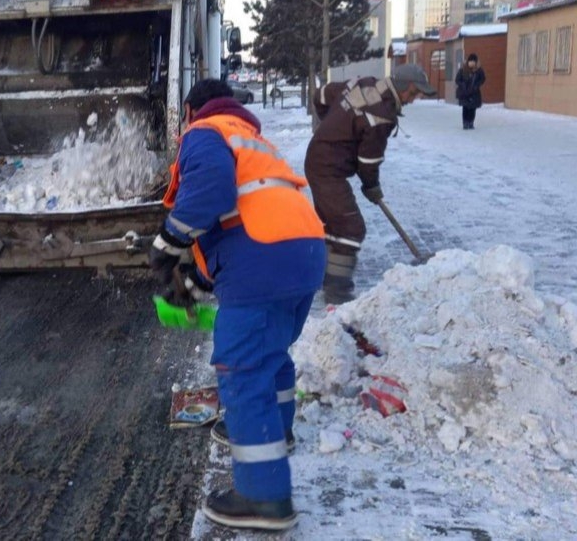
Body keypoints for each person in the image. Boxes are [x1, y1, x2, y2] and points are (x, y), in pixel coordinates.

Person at [149, 78, 326, 531]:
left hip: (263, 257)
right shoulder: (252, 140)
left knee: (242, 371)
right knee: (271, 355)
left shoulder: (204, 132)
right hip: (303, 253)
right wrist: (193, 279)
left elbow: (209, 193)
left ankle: (263, 497)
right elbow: (241, 222)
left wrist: (167, 244)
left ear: (190, 110)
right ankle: (277, 431)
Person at [304, 64, 436, 304]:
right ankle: (337, 291)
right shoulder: (381, 116)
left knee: (333, 225)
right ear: (405, 86)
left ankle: (322, 278)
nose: (415, 99)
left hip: (320, 161)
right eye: (415, 93)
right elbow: (368, 162)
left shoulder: (364, 84)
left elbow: (321, 95)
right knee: (351, 228)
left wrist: (332, 126)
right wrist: (371, 187)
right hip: (327, 170)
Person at [455, 53, 486, 129]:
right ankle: (465, 123)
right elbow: (457, 80)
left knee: (472, 109)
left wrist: (477, 85)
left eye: (473, 61)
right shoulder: (463, 69)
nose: (471, 63)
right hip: (464, 92)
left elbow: (483, 79)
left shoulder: (479, 70)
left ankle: (471, 122)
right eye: (470, 61)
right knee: (465, 108)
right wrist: (462, 85)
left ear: (476, 62)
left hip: (474, 93)